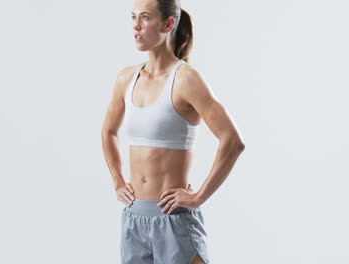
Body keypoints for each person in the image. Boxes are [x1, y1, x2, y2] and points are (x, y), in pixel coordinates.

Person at [101, 0, 245, 263]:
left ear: (168, 24)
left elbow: (233, 141)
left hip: (173, 220)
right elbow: (109, 131)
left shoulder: (186, 79)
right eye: (133, 17)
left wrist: (199, 196)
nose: (136, 25)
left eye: (145, 17)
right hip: (134, 218)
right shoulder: (126, 78)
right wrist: (118, 181)